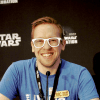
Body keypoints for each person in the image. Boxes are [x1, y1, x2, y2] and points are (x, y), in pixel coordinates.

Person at [0, 16, 99, 100]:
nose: (47, 47)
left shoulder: (80, 74)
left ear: (63, 44)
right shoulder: (17, 70)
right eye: (39, 41)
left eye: (52, 40)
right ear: (32, 46)